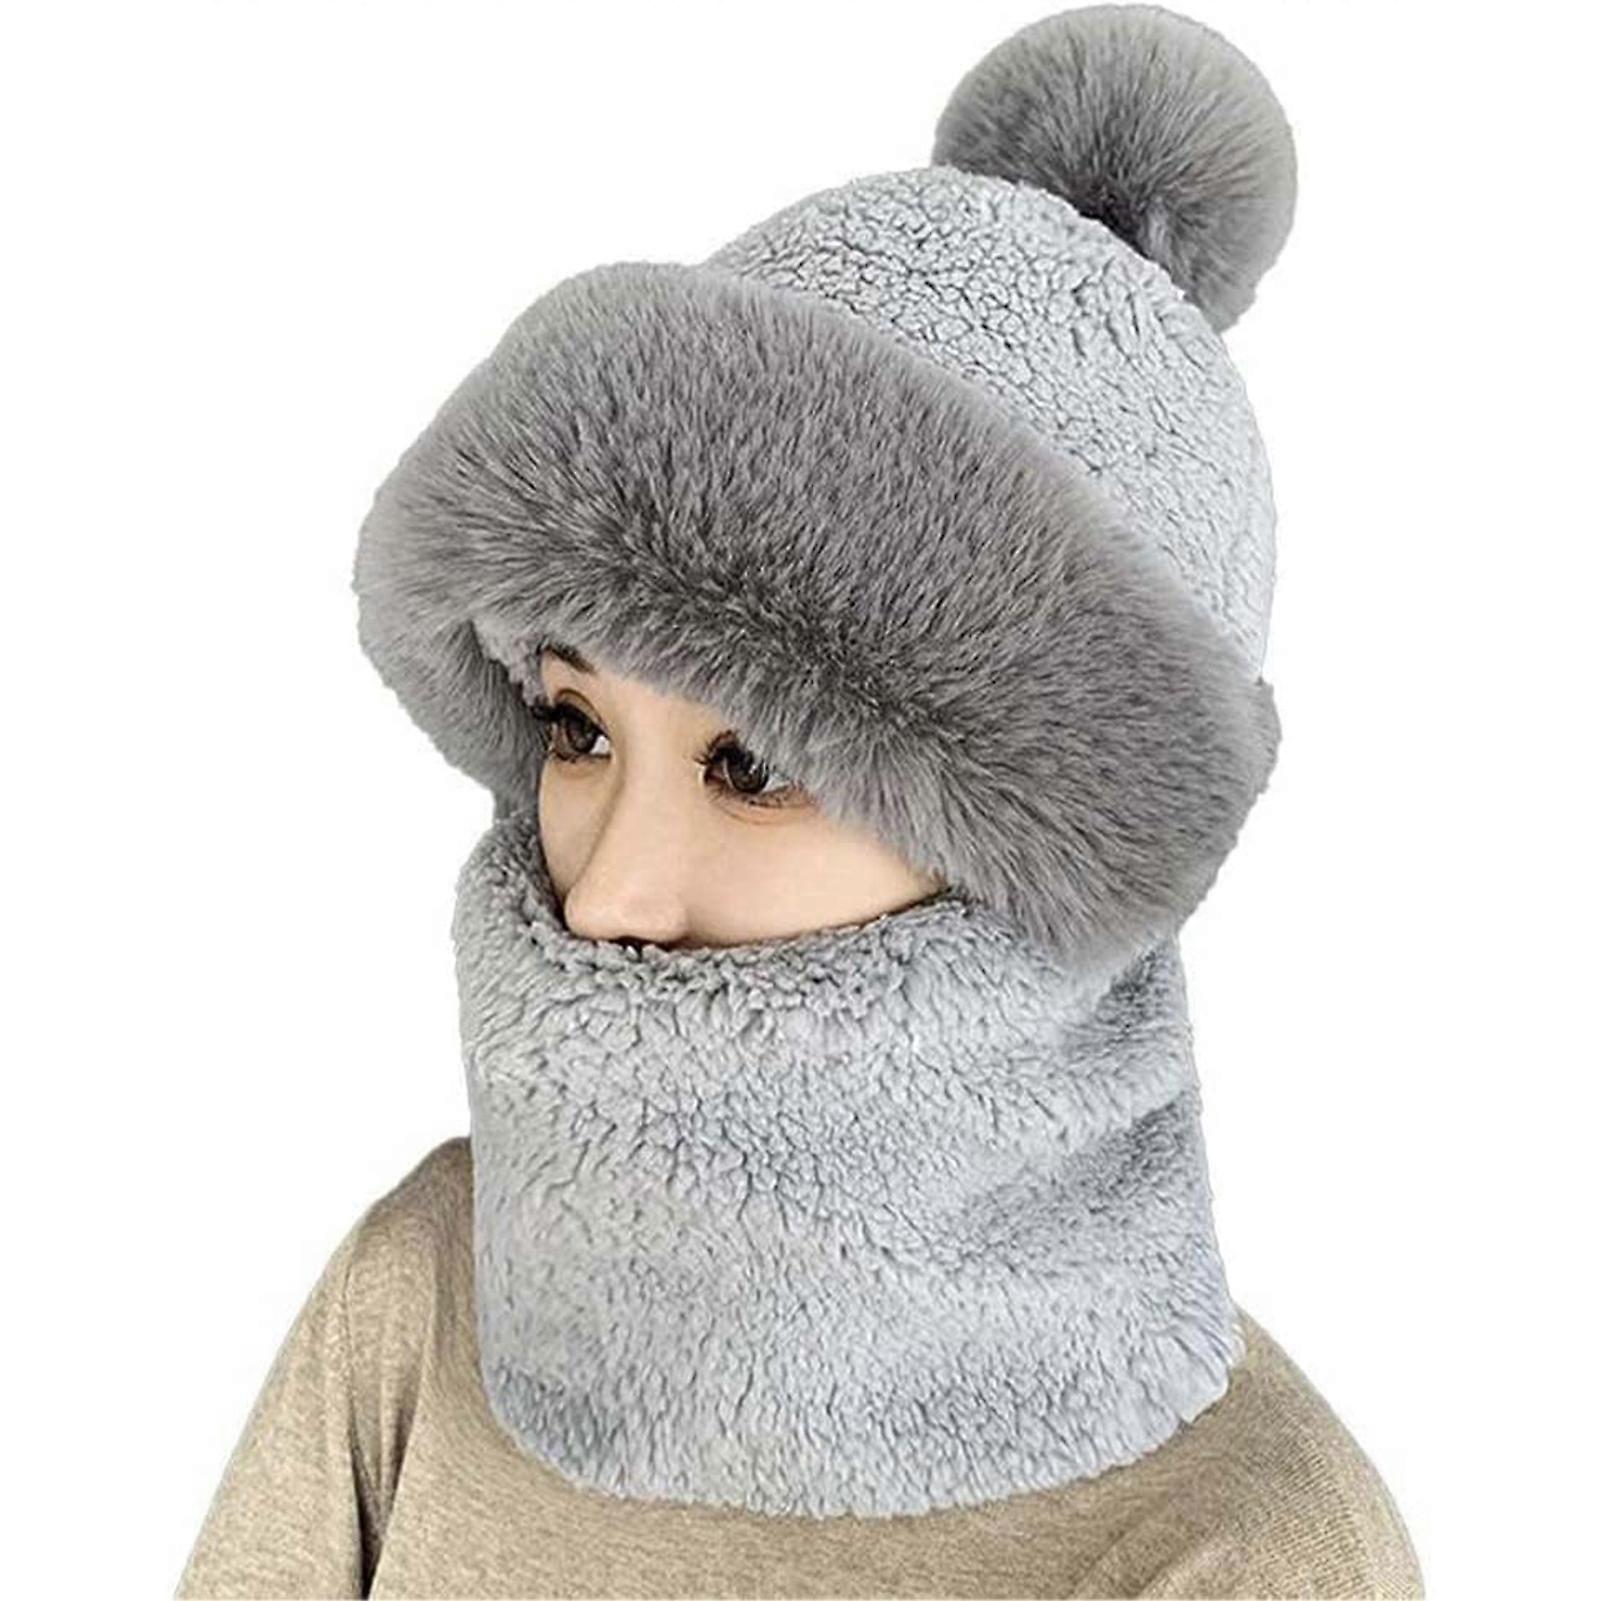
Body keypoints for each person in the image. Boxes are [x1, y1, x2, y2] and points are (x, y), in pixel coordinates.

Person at [176, 5, 1425, 1597]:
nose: (607, 894)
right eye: (576, 727)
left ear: (1035, 859)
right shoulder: (423, 1294)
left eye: (753, 765)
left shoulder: (1238, 1543)